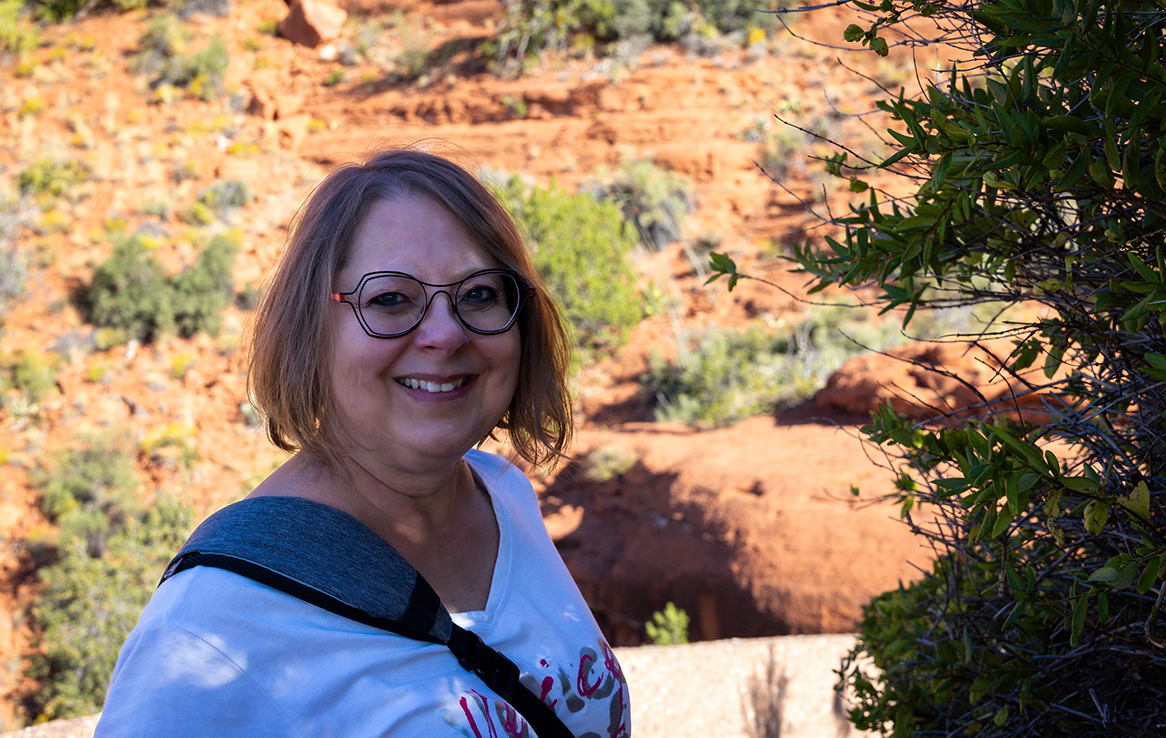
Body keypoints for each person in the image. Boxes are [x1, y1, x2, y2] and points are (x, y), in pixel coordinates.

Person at [95, 147, 631, 737]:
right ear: (313, 330)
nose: (446, 334)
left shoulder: (504, 495)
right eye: (390, 299)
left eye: (479, 293)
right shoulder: (206, 630)